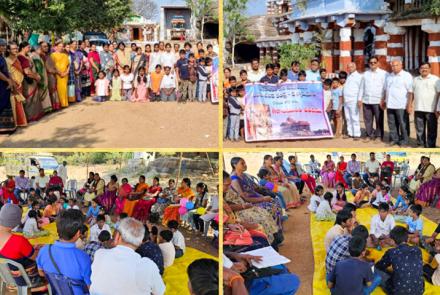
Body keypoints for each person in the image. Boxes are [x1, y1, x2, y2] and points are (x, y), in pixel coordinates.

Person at [91, 217, 165, 295]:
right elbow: (160, 292)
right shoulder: (148, 266)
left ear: (117, 237)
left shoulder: (100, 254)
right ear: (140, 242)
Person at [37, 209, 91, 294]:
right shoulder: (83, 257)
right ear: (78, 233)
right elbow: (88, 287)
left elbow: (41, 273)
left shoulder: (44, 250)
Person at [0, 204, 48, 292]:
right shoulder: (19, 241)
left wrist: (31, 247)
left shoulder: (17, 241)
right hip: (26, 278)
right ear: (15, 222)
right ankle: (39, 289)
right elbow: (35, 257)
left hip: (7, 277)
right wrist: (41, 249)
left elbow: (10, 252)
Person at [375, 226, 424, 295]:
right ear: (407, 239)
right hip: (419, 291)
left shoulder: (392, 252)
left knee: (375, 270)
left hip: (397, 292)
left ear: (392, 240)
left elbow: (380, 266)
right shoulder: (417, 250)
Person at [409, 62, 439, 147]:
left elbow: (439, 94)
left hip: (431, 110)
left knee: (432, 129)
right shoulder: (415, 79)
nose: (424, 69)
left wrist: (437, 108)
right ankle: (421, 144)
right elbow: (411, 93)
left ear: (430, 69)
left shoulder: (435, 79)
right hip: (418, 108)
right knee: (419, 129)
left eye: (426, 68)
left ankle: (431, 145)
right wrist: (409, 105)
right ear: (419, 69)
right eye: (422, 68)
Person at [383, 60, 413, 146]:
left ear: (401, 65)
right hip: (390, 104)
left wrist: (409, 105)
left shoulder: (406, 76)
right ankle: (394, 139)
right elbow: (385, 90)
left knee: (403, 123)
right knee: (392, 123)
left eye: (396, 65)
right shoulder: (389, 76)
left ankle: (405, 140)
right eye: (393, 66)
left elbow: (410, 92)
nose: (394, 67)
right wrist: (384, 100)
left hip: (401, 105)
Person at [18, 41, 44, 121]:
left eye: (30, 47)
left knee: (34, 97)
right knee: (30, 98)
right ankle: (30, 117)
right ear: (22, 48)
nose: (29, 49)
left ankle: (35, 115)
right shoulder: (21, 57)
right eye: (28, 47)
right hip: (27, 81)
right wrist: (36, 77)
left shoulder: (27, 56)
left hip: (32, 79)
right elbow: (27, 72)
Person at [362, 56, 386, 141]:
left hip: (378, 100)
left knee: (379, 119)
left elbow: (385, 88)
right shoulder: (365, 74)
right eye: (371, 63)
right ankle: (369, 134)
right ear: (369, 64)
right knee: (367, 119)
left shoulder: (383, 74)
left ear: (378, 63)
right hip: (366, 100)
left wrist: (383, 99)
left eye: (374, 62)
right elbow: (362, 87)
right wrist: (360, 99)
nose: (373, 64)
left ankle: (379, 136)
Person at [6, 41, 28, 127]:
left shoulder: (17, 58)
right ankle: (16, 123)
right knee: (15, 104)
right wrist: (14, 83)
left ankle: (20, 122)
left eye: (16, 48)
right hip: (14, 84)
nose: (16, 50)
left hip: (20, 83)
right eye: (13, 48)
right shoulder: (7, 60)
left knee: (19, 103)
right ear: (8, 50)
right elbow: (8, 73)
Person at [0, 38, 17, 133]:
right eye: (1, 45)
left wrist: (10, 80)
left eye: (4, 46)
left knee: (6, 103)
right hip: (1, 84)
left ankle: (7, 127)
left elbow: (6, 70)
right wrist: (7, 80)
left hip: (5, 84)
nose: (3, 47)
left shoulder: (1, 56)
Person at [343, 62, 363, 140]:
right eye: (348, 67)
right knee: (348, 117)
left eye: (351, 67)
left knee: (354, 117)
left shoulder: (359, 76)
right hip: (346, 100)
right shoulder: (348, 75)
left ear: (355, 67)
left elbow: (361, 89)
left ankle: (357, 134)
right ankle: (350, 133)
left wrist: (359, 99)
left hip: (354, 100)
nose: (349, 68)